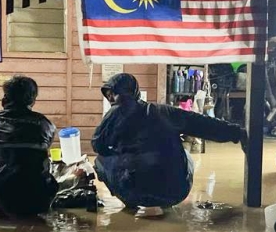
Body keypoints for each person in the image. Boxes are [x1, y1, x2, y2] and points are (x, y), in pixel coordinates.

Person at [93, 73, 245, 211]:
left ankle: (130, 204)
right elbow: (204, 125)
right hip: (175, 192)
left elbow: (97, 145)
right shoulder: (164, 112)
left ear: (120, 94)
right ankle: (163, 203)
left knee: (100, 160)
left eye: (113, 95)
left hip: (133, 191)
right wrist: (236, 133)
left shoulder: (112, 115)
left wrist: (120, 152)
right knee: (186, 154)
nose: (111, 99)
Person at [0, 75, 58, 219]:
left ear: (4, 99)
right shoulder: (46, 125)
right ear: (32, 100)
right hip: (38, 201)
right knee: (39, 155)